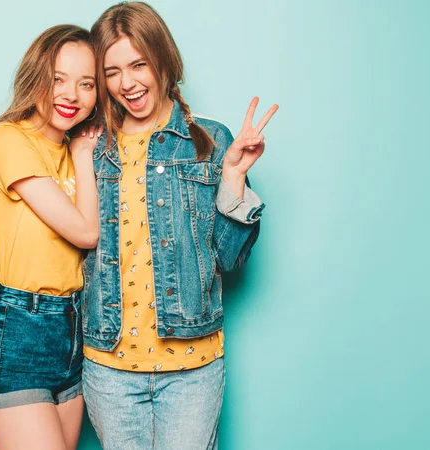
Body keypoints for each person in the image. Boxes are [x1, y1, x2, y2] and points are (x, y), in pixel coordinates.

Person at [82, 2, 279, 449]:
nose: (127, 83)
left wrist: (232, 178)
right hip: (109, 369)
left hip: (192, 368)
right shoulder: (93, 149)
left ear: (162, 58)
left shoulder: (209, 141)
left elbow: (230, 259)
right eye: (112, 71)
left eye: (138, 64)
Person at [0, 24, 100, 450]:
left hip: (75, 333)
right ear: (36, 76)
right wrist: (83, 155)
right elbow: (86, 232)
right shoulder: (10, 140)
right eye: (58, 79)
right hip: (21, 333)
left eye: (87, 84)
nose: (71, 95)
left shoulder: (73, 150)